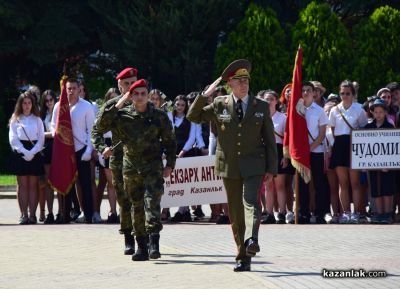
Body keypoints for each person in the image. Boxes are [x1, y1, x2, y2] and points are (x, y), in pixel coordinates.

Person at [187, 59, 277, 272]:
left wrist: (272, 169)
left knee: (251, 202)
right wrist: (204, 95)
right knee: (235, 212)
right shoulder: (219, 104)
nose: (244, 84)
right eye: (239, 80)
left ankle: (251, 239)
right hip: (229, 165)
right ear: (230, 84)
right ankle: (242, 256)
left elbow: (270, 140)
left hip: (254, 164)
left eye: (246, 80)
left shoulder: (260, 106)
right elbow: (193, 116)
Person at [95, 79, 176, 261]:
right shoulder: (122, 115)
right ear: (130, 96)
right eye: (136, 94)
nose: (140, 97)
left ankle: (154, 242)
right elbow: (101, 125)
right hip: (131, 167)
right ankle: (141, 247)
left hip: (153, 167)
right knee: (136, 206)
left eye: (143, 94)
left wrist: (170, 164)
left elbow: (170, 142)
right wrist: (119, 104)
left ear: (148, 96)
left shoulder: (159, 116)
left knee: (152, 202)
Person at [92, 67, 138, 254]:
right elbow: (96, 130)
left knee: (142, 200)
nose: (129, 87)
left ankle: (146, 237)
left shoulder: (142, 102)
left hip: (141, 160)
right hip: (119, 160)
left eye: (132, 83)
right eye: (126, 84)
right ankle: (128, 237)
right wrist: (103, 148)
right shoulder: (111, 105)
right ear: (119, 85)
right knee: (124, 200)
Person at [51, 78, 95, 223]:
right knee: (65, 182)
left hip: (81, 149)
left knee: (85, 184)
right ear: (65, 89)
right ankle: (65, 215)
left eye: (74, 88)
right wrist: (56, 135)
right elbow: (53, 125)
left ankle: (88, 215)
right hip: (64, 149)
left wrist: (89, 150)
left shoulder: (86, 106)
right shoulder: (59, 106)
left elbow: (92, 131)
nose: (71, 91)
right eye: (69, 88)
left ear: (79, 89)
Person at [328, 80, 368, 224]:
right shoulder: (334, 110)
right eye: (342, 93)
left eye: (348, 93)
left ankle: (356, 213)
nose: (344, 96)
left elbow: (364, 128)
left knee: (355, 183)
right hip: (339, 146)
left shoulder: (359, 109)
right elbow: (332, 130)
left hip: (354, 146)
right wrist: (337, 144)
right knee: (342, 183)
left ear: (353, 94)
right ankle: (345, 213)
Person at [9, 91, 45, 224]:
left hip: (35, 151)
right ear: (20, 104)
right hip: (20, 152)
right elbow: (12, 138)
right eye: (24, 103)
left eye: (29, 103)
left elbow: (41, 138)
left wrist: (33, 152)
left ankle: (32, 215)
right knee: (22, 185)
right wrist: (24, 151)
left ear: (32, 104)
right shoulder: (15, 118)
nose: (27, 105)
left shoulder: (37, 119)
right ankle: (23, 215)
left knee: (33, 185)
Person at [260, 90, 294, 224]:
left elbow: (287, 138)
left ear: (276, 101)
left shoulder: (282, 118)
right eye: (266, 99)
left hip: (279, 151)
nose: (268, 102)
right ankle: (269, 213)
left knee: (280, 185)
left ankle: (281, 212)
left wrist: (286, 156)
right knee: (268, 185)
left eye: (271, 99)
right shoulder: (260, 116)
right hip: (264, 152)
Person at [298, 82, 330, 224]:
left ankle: (320, 213)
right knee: (302, 184)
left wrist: (310, 148)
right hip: (301, 154)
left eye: (308, 90)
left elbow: (322, 134)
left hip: (315, 151)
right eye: (303, 90)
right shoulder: (296, 109)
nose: (305, 93)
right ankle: (303, 213)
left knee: (319, 183)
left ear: (314, 93)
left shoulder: (319, 110)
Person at [365, 99, 396, 224]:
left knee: (387, 190)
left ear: (385, 113)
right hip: (373, 165)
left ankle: (388, 214)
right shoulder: (368, 128)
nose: (378, 114)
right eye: (375, 112)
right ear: (372, 112)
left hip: (387, 166)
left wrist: (389, 164)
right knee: (376, 190)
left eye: (380, 112)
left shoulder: (390, 127)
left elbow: (394, 148)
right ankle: (379, 214)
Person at [95, 88, 119, 223]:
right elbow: (97, 133)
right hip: (108, 146)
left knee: (122, 183)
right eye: (111, 98)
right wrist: (100, 151)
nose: (114, 101)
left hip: (120, 144)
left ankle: (124, 212)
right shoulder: (102, 114)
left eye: (116, 97)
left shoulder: (124, 112)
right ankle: (113, 211)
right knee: (111, 183)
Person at [39, 90, 57, 224]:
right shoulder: (41, 114)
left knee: (60, 181)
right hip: (46, 149)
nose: (49, 102)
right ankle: (49, 213)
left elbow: (57, 133)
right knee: (48, 183)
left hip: (58, 148)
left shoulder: (59, 112)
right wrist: (48, 134)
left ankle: (62, 212)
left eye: (51, 100)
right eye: (46, 100)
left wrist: (45, 134)